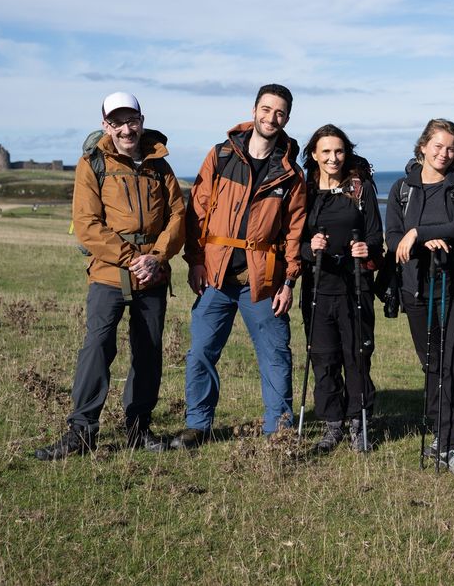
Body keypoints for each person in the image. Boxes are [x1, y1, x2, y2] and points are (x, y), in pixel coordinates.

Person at [35, 92, 186, 460]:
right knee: (98, 347)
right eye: (116, 122)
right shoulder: (92, 164)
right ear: (106, 125)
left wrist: (156, 257)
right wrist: (132, 258)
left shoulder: (160, 166)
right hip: (107, 273)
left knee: (148, 351)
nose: (125, 128)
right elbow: (87, 225)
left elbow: (178, 218)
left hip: (153, 273)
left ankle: (138, 429)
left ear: (141, 119)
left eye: (131, 120)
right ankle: (81, 432)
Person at [172, 84, 305, 447]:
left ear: (287, 118)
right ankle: (198, 426)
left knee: (276, 356)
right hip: (215, 277)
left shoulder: (291, 173)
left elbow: (294, 231)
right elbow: (197, 212)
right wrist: (195, 261)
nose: (271, 117)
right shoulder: (221, 155)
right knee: (200, 352)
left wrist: (289, 281)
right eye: (266, 109)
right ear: (254, 109)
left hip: (262, 282)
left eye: (279, 112)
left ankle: (277, 432)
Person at [385, 119, 454, 476]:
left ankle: (451, 445)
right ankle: (440, 437)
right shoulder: (401, 189)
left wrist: (418, 233)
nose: (444, 154)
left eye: (451, 148)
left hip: (453, 289)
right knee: (434, 367)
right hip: (416, 292)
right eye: (437, 146)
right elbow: (393, 239)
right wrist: (413, 239)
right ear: (422, 146)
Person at [299, 124, 383, 453]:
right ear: (314, 155)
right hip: (318, 287)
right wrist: (310, 247)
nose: (333, 158)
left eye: (339, 151)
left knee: (357, 356)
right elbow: (293, 241)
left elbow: (376, 235)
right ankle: (332, 425)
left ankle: (359, 423)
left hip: (355, 286)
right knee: (324, 358)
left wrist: (367, 248)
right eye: (326, 152)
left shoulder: (360, 188)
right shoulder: (304, 189)